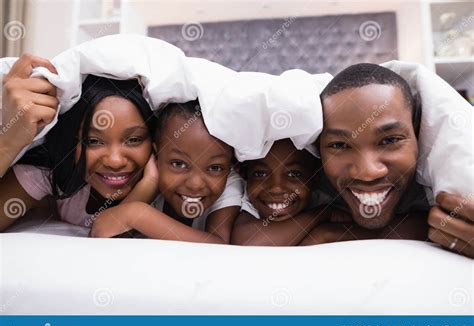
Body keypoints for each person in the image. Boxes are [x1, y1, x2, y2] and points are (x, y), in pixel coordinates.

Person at [302, 63, 474, 258]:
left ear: (418, 133)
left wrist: (329, 233)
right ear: (317, 148)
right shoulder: (305, 184)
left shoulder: (451, 178)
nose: (367, 172)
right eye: (340, 145)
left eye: (390, 140)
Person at [0, 61, 158, 230]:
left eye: (133, 140)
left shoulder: (175, 184)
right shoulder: (51, 172)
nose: (115, 161)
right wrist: (9, 142)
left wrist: (150, 184)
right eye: (93, 141)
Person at [90, 100, 244, 244]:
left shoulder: (230, 183)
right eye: (178, 163)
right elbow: (104, 230)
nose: (195, 184)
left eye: (215, 168)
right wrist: (149, 183)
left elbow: (219, 247)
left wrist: (137, 215)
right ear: (156, 156)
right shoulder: (147, 175)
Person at [231, 138, 329, 246]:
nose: (276, 188)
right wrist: (323, 216)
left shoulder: (323, 199)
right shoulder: (250, 203)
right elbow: (249, 241)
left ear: (315, 178)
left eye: (293, 174)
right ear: (245, 176)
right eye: (260, 174)